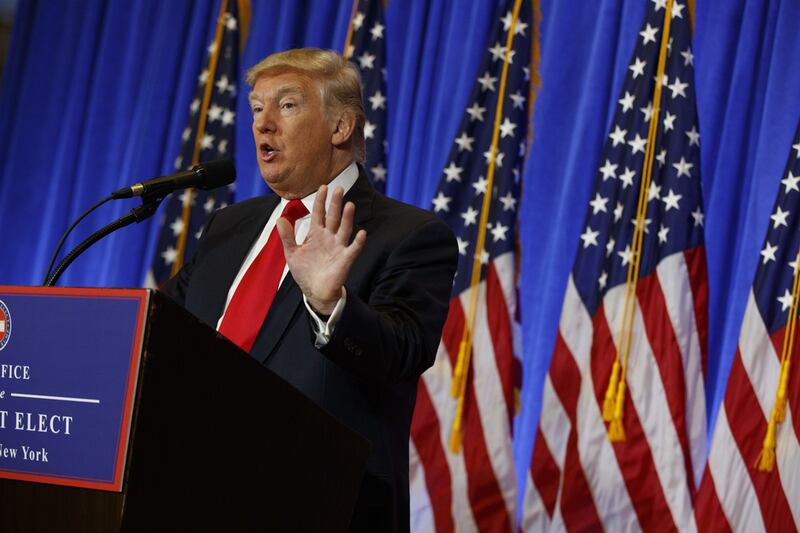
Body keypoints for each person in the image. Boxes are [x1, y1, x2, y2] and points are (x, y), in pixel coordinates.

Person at [162, 48, 457, 531]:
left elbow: (403, 351)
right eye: (257, 108)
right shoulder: (229, 227)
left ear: (341, 127)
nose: (263, 125)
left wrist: (329, 305)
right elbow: (163, 328)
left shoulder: (409, 234)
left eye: (288, 105)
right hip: (191, 491)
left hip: (323, 507)